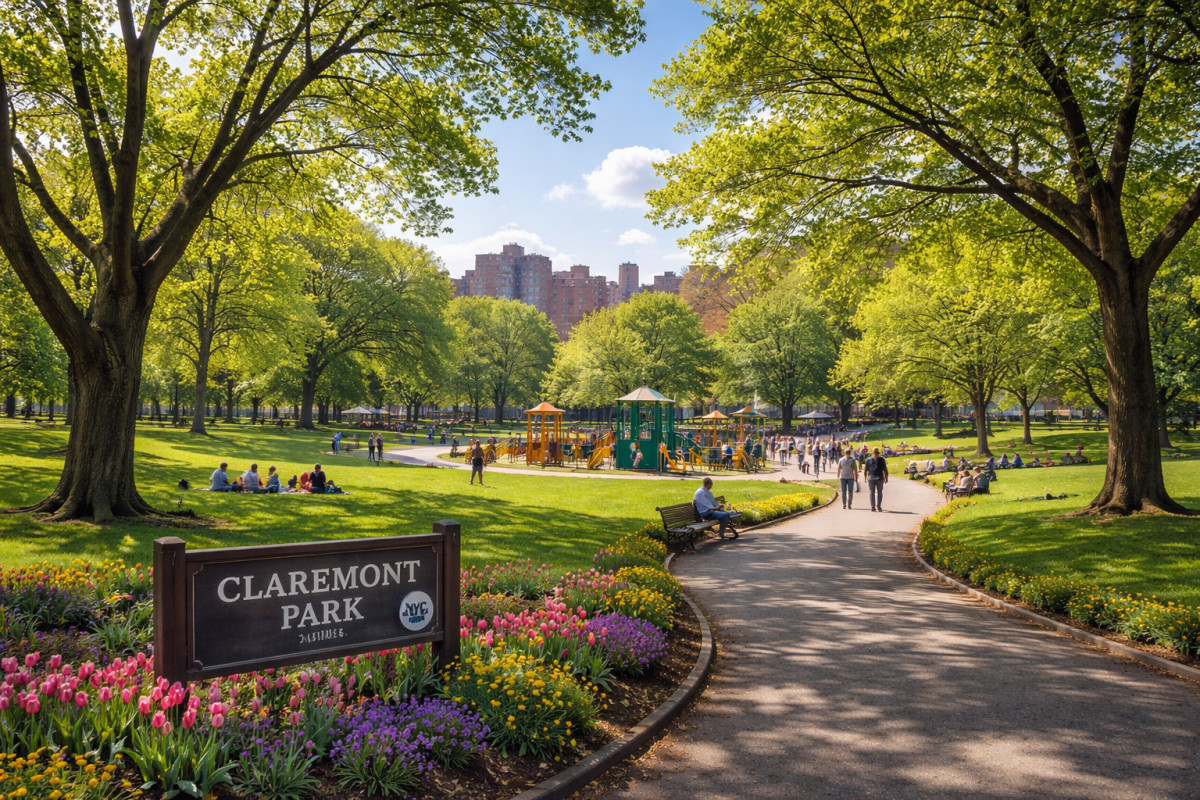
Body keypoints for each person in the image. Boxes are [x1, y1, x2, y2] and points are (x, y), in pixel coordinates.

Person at [864, 447, 889, 511]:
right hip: (879, 478)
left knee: (871, 492)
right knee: (879, 492)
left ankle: (873, 506)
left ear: (872, 452)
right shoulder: (881, 459)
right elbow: (885, 469)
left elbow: (866, 470)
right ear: (878, 453)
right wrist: (886, 477)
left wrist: (865, 477)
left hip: (871, 478)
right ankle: (878, 506)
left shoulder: (868, 460)